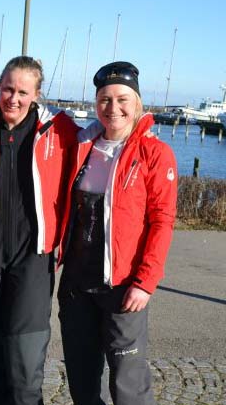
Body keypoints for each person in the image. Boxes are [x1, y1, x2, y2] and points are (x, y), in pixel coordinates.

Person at [0, 56, 80, 405]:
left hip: (33, 257)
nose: (13, 98)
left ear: (37, 93)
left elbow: (105, 142)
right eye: (7, 89)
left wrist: (138, 129)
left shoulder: (60, 129)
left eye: (23, 92)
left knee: (25, 355)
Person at [57, 61, 177, 405]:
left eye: (122, 99)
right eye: (105, 100)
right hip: (78, 281)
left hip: (123, 284)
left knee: (128, 382)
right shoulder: (83, 146)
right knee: (81, 375)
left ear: (137, 102)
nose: (114, 108)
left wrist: (146, 281)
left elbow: (162, 220)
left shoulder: (154, 153)